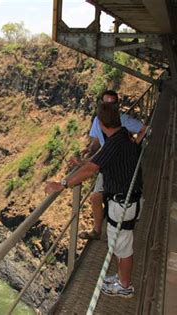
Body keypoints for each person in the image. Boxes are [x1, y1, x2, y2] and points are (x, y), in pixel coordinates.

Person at [45, 100, 142, 298]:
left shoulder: (113, 144)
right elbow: (96, 162)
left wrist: (62, 184)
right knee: (120, 243)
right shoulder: (125, 136)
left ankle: (124, 286)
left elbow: (91, 169)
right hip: (129, 199)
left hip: (122, 203)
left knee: (123, 247)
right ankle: (120, 278)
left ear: (100, 123)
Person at [73, 90, 146, 240]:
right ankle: (97, 231)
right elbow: (97, 142)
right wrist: (89, 149)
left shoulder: (123, 120)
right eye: (106, 104)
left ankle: (121, 223)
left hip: (120, 162)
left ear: (117, 106)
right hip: (106, 162)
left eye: (112, 104)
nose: (109, 107)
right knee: (96, 197)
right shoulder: (98, 120)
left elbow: (144, 129)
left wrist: (135, 146)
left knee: (120, 194)